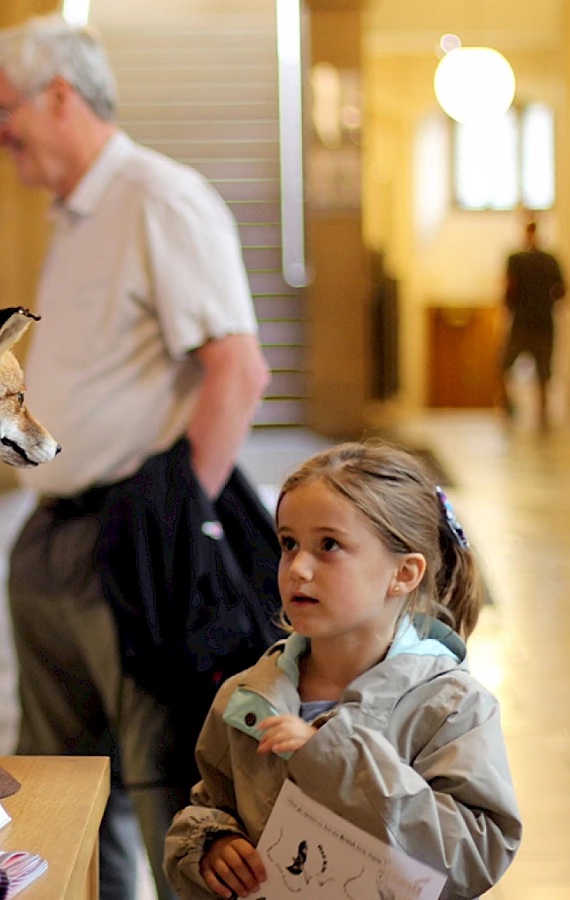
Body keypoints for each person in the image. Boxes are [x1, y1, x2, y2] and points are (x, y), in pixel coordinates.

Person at [0, 15, 278, 900]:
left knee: (161, 784)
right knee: (59, 784)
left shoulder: (158, 196)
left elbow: (239, 368)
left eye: (2, 112)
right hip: (54, 531)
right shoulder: (74, 211)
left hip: (133, 535)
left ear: (59, 97)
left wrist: (174, 520)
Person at [164, 440, 522, 900]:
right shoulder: (246, 696)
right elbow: (208, 806)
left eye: (329, 545)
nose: (298, 568)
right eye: (289, 544)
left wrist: (337, 761)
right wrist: (211, 846)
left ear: (404, 573)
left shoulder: (451, 706)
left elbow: (475, 855)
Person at [499, 219, 565, 431]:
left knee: (541, 373)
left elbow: (508, 288)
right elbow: (561, 290)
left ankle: (540, 414)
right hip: (535, 322)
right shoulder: (544, 261)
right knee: (521, 369)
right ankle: (515, 408)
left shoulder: (530, 260)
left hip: (531, 323)